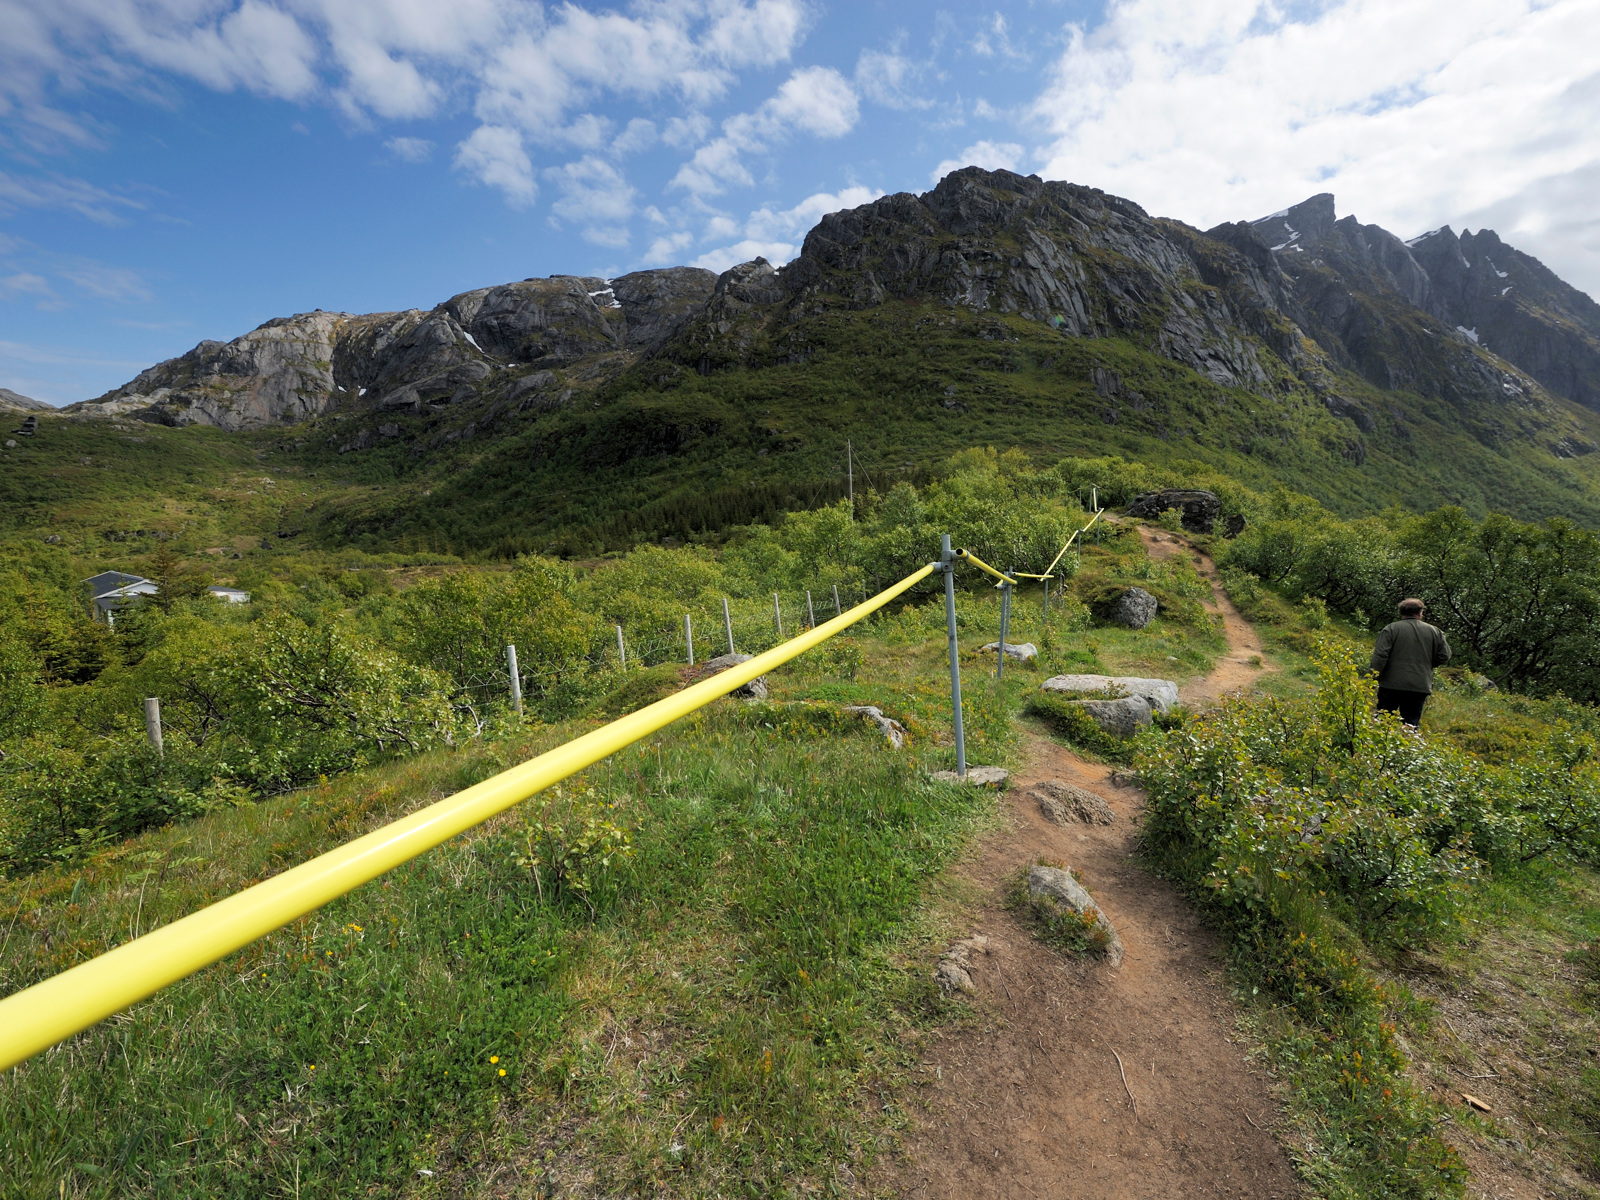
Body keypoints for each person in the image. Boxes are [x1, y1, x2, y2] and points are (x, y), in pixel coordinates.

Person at [1369, 598, 1452, 729]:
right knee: (1410, 724)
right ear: (1420, 613)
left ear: (1401, 613)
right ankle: (1408, 746)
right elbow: (1444, 656)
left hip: (1391, 684)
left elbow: (1380, 656)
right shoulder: (1435, 632)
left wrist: (1373, 678)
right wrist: (1426, 665)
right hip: (1419, 685)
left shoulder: (1391, 629)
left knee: (1382, 722)